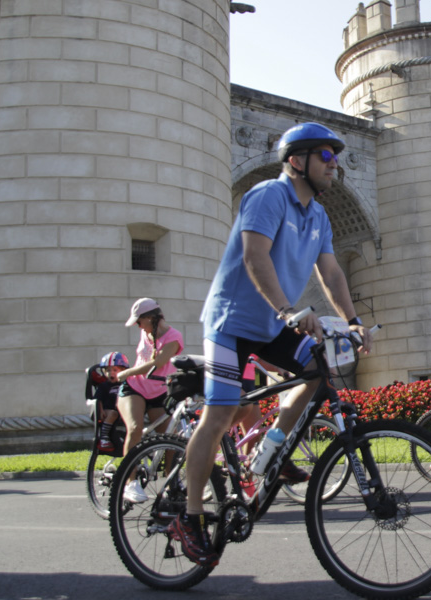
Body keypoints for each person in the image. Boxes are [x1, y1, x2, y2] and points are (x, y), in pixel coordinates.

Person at [171, 122, 373, 567]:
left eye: (335, 157)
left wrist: (353, 322)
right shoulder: (267, 196)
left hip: (272, 323)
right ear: (297, 161)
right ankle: (189, 515)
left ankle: (273, 445)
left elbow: (332, 274)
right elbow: (254, 256)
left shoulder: (318, 215)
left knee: (318, 372)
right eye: (325, 155)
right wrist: (288, 312)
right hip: (232, 323)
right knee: (220, 414)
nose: (334, 164)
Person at [111, 298, 183, 503]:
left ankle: (171, 483)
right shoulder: (146, 332)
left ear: (150, 318)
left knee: (171, 438)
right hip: (134, 388)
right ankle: (130, 483)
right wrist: (129, 377)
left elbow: (158, 363)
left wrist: (126, 372)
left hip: (158, 392)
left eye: (138, 321)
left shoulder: (174, 337)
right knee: (135, 428)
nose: (137, 326)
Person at [90, 352, 129, 453]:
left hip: (122, 411)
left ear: (123, 371)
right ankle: (104, 437)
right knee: (113, 413)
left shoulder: (126, 384)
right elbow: (98, 399)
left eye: (115, 370)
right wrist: (100, 409)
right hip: (107, 411)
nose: (111, 373)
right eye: (108, 370)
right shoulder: (104, 386)